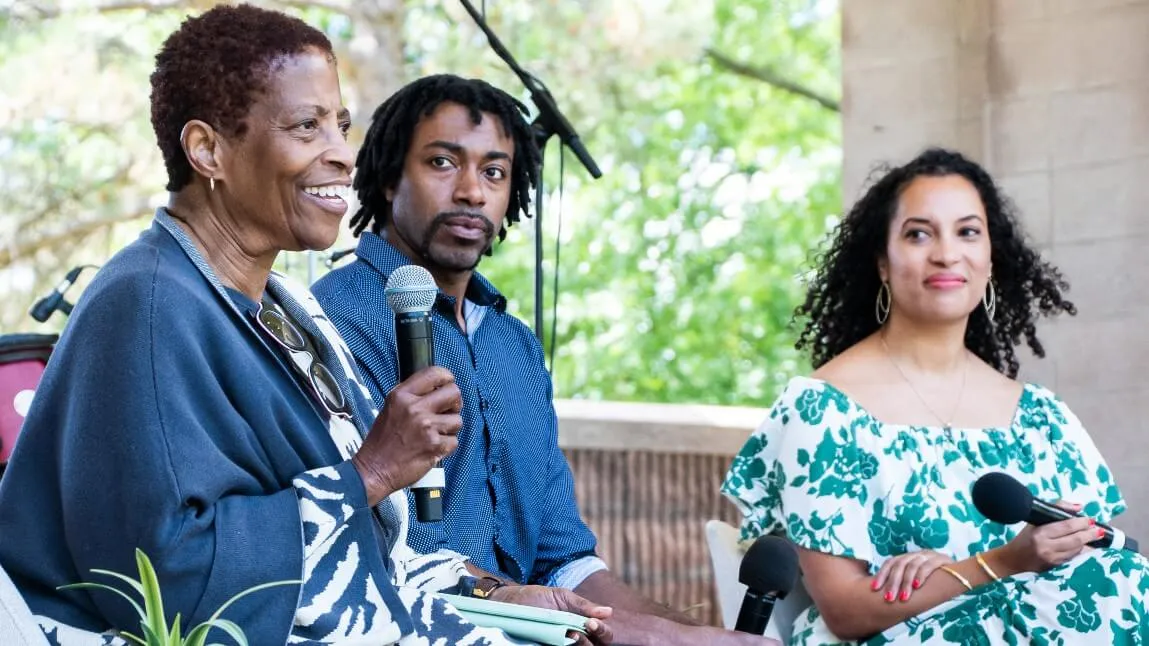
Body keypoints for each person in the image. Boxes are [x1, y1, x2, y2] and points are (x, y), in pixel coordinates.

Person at [0, 6, 611, 646]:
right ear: (208, 149)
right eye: (306, 127)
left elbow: (375, 549)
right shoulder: (148, 303)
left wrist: (496, 595)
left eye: (340, 127)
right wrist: (371, 472)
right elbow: (168, 581)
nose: (343, 156)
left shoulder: (288, 308)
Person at [312, 73, 778, 646]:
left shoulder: (515, 346)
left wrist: (687, 632)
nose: (471, 192)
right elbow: (397, 557)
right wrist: (653, 637)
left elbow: (564, 560)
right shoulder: (332, 319)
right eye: (441, 163)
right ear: (387, 179)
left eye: (493, 172)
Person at [720, 147, 1149, 644]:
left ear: (991, 258)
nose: (946, 253)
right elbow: (845, 613)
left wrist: (981, 567)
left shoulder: (1042, 418)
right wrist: (997, 563)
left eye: (967, 232)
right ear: (882, 262)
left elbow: (1098, 570)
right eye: (919, 233)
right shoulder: (823, 410)